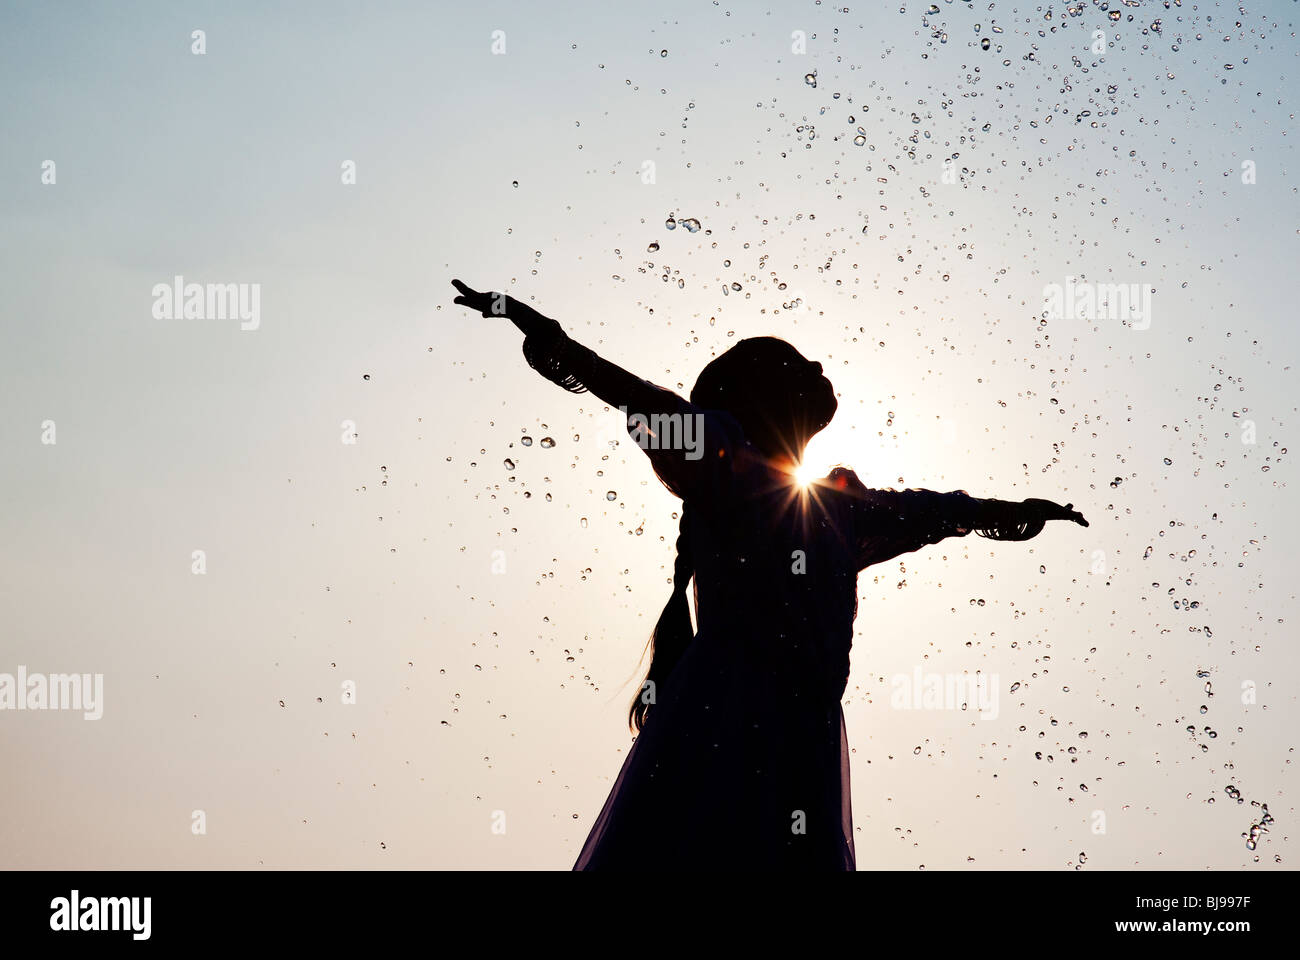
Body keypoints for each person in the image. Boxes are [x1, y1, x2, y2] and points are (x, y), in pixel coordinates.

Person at [452, 279, 1089, 870]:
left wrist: (1015, 511)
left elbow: (937, 510)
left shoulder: (840, 506)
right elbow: (640, 397)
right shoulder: (726, 461)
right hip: (726, 711)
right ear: (756, 397)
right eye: (793, 362)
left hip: (802, 727)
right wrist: (544, 332)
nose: (816, 366)